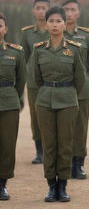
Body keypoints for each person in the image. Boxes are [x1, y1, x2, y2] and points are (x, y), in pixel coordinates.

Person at [31, 6, 85, 202]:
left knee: (65, 144)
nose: (54, 25)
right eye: (51, 21)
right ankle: (51, 186)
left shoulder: (73, 49)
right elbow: (35, 79)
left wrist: (67, 93)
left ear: (65, 24)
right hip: (45, 100)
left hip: (67, 100)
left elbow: (80, 79)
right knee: (49, 145)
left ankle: (62, 185)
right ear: (46, 25)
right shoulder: (39, 50)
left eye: (58, 21)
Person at [62, 0, 89, 179]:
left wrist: (84, 81)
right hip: (61, 89)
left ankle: (78, 164)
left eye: (72, 9)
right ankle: (65, 164)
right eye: (65, 9)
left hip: (82, 90)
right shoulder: (54, 34)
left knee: (81, 128)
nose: (69, 13)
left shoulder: (87, 36)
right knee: (64, 128)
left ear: (79, 13)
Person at [20, 0, 50, 164]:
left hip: (52, 80)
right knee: (36, 116)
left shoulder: (56, 29)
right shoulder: (27, 33)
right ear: (33, 10)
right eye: (38, 8)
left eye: (44, 8)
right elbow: (22, 57)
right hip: (34, 82)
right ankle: (39, 151)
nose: (41, 11)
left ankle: (52, 150)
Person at [0, 13, 26, 200]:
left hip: (8, 102)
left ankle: (2, 184)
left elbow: (21, 80)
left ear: (5, 29)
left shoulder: (15, 52)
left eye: (0, 25)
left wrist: (16, 100)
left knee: (7, 145)